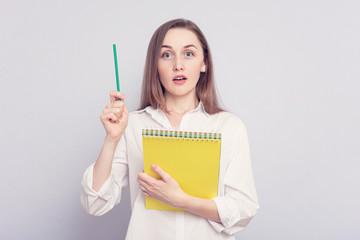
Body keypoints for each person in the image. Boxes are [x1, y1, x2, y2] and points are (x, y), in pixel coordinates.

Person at [81, 18, 259, 240]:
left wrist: (181, 200)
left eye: (189, 54)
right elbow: (95, 204)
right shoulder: (133, 124)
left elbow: (244, 209)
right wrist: (111, 139)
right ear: (155, 65)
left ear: (204, 63)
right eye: (166, 55)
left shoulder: (229, 126)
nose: (178, 65)